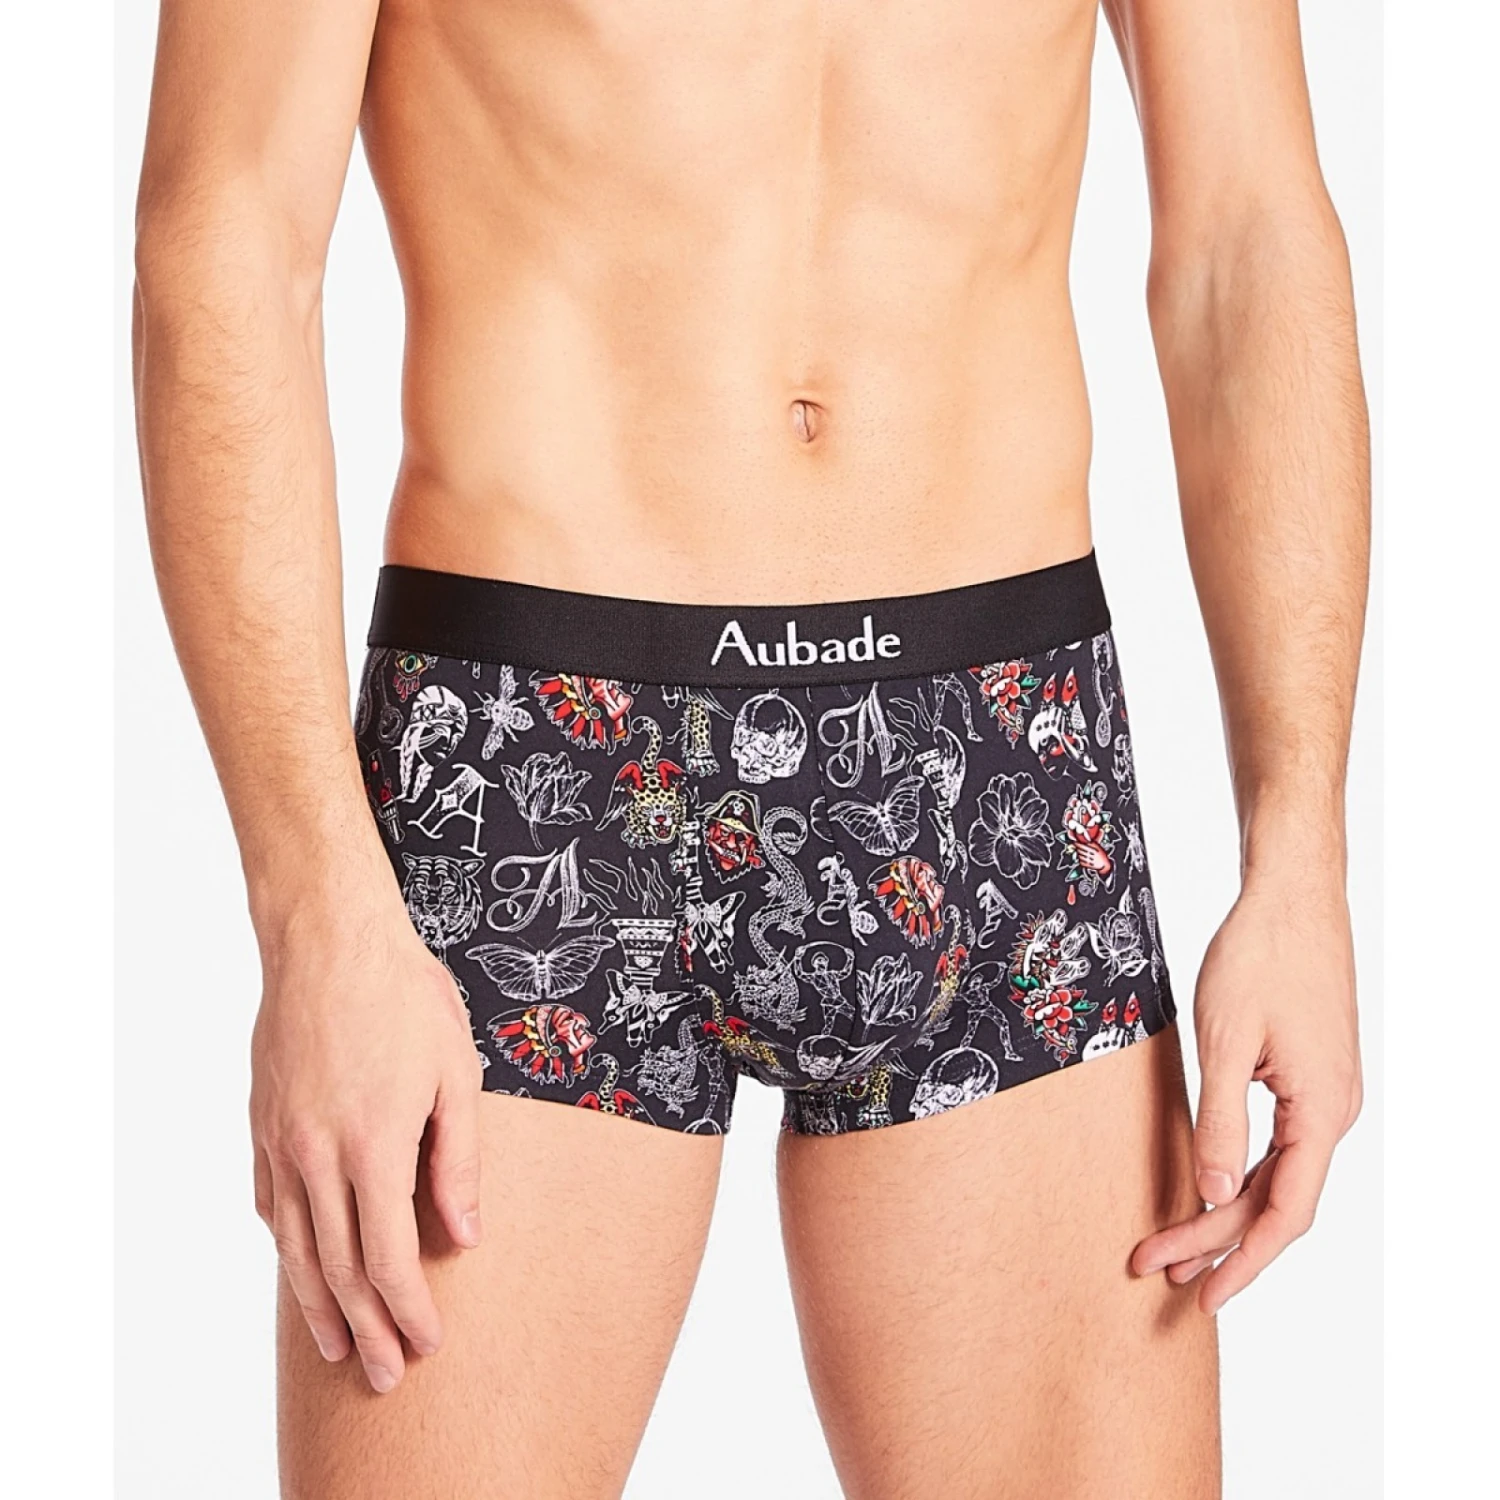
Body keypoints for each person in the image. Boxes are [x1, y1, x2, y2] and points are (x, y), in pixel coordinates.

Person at [133, 0, 1367, 1494]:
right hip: (540, 763)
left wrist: (1302, 854)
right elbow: (227, 237)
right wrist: (313, 911)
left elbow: (1247, 233)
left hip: (995, 752)